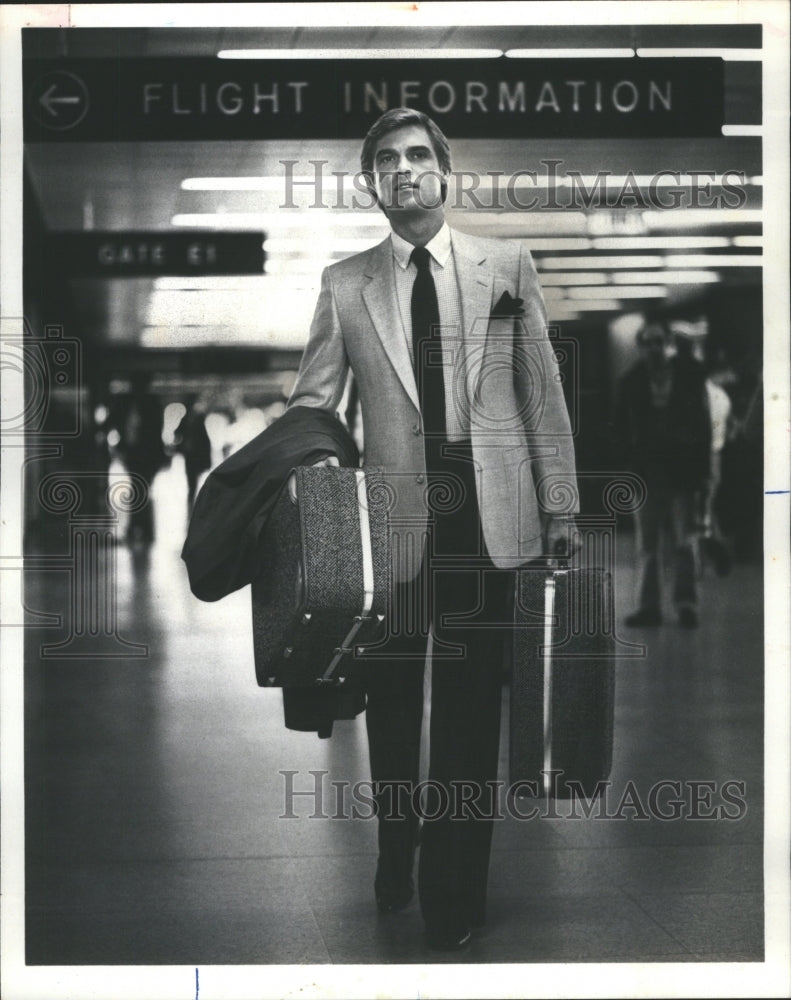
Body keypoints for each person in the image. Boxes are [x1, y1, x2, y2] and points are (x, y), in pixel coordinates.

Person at [286, 108, 578, 950]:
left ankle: (454, 892)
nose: (404, 170)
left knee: (467, 710)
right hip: (390, 526)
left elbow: (540, 395)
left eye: (419, 156)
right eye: (387, 160)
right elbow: (315, 402)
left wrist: (559, 502)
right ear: (371, 183)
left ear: (444, 173)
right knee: (390, 705)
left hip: (489, 517)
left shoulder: (504, 266)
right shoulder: (345, 283)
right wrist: (311, 484)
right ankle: (395, 847)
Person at [614, 321, 712, 628]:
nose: (654, 348)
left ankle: (686, 603)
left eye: (659, 341)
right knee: (648, 543)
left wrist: (703, 468)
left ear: (666, 344)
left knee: (685, 539)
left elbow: (702, 423)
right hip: (646, 472)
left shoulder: (688, 378)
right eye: (649, 342)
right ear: (642, 347)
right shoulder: (630, 382)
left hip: (681, 471)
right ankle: (649, 606)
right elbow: (620, 430)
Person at [173, 395, 212, 512]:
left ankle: (193, 505)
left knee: (193, 482)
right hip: (193, 455)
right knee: (194, 482)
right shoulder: (196, 419)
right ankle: (194, 505)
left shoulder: (190, 419)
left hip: (192, 455)